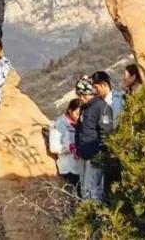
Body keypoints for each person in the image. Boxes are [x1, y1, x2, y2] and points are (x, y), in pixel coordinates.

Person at [76, 74, 114, 203]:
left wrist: (100, 155)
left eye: (81, 95)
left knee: (94, 190)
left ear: (86, 94)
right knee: (85, 188)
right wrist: (77, 148)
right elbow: (80, 130)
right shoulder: (84, 109)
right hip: (84, 154)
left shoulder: (101, 107)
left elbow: (106, 132)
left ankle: (97, 217)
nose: (79, 98)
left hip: (95, 156)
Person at [48, 98, 83, 195]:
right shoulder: (59, 124)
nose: (79, 117)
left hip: (81, 166)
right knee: (73, 195)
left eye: (81, 114)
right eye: (76, 114)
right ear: (70, 111)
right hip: (68, 167)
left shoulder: (81, 124)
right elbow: (54, 147)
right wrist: (69, 148)